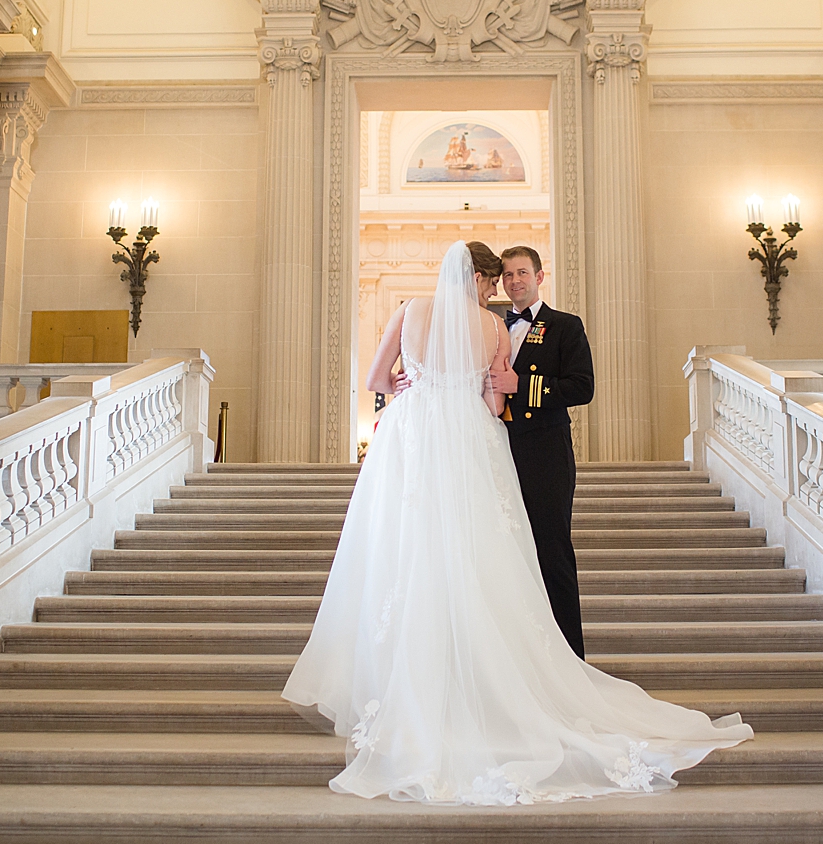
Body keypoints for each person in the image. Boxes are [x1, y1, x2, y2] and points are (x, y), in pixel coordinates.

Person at [282, 240, 751, 806]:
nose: (503, 286)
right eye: (497, 278)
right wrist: (473, 395)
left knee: (411, 553)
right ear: (481, 279)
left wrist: (410, 387)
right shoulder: (492, 329)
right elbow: (492, 406)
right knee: (482, 559)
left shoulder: (411, 310)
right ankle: (510, 680)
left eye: (517, 275)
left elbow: (378, 380)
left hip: (416, 444)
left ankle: (417, 683)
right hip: (470, 443)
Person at [495, 245, 592, 657]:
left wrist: (525, 388)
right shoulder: (494, 327)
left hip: (546, 454)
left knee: (552, 553)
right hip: (498, 453)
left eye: (522, 273)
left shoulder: (565, 326)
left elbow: (582, 388)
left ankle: (570, 658)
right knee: (507, 557)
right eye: (507, 275)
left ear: (539, 275)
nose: (514, 281)